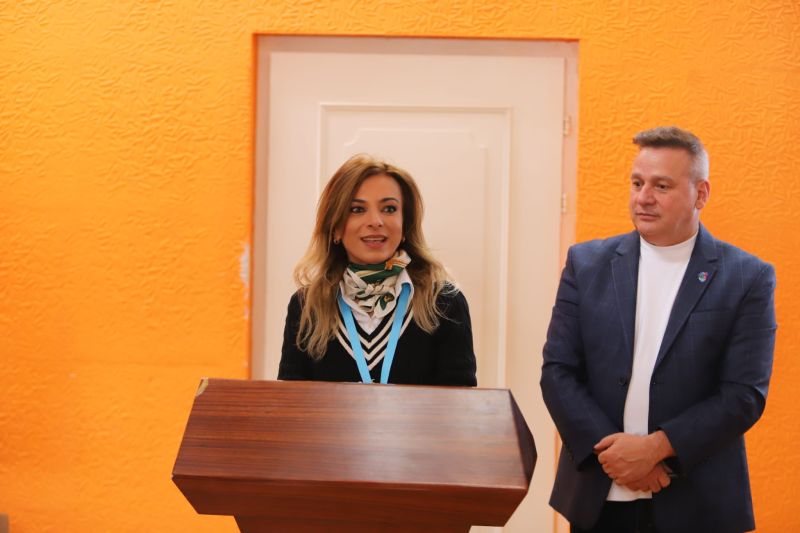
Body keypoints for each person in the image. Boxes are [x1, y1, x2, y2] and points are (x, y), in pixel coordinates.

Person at [540, 126, 776, 533]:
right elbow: (558, 371)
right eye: (637, 183)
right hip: (599, 495)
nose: (644, 197)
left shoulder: (747, 277)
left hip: (698, 501)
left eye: (661, 186)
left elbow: (744, 394)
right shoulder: (587, 263)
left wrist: (656, 449)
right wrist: (614, 456)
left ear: (701, 194)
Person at [278, 154, 477, 386]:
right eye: (357, 209)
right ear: (336, 228)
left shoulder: (444, 303)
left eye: (389, 209)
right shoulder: (306, 305)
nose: (375, 221)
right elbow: (290, 402)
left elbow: (459, 404)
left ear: (405, 225)